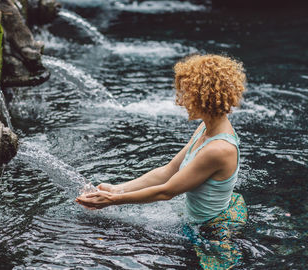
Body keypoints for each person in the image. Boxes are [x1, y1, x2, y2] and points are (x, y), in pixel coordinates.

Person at [76, 54, 248, 268]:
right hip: (200, 220)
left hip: (210, 231)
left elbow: (166, 192)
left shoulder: (219, 149)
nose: (181, 101)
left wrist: (112, 201)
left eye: (187, 94)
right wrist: (116, 189)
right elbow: (168, 171)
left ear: (206, 97)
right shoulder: (206, 128)